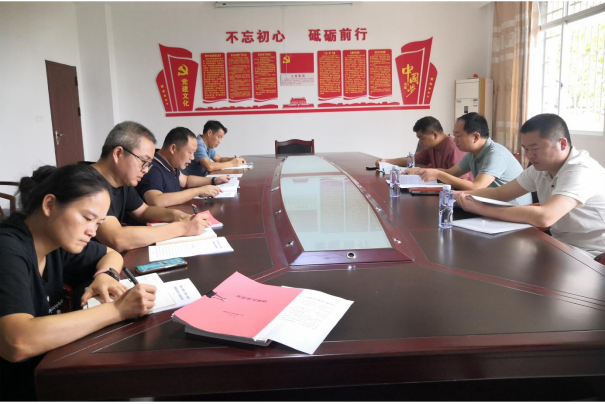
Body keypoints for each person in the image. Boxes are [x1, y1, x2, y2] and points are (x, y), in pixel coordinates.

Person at [0, 164, 157, 402]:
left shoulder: (55, 241)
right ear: (49, 205)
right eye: (87, 218)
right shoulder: (8, 249)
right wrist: (117, 310)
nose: (92, 232)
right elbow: (17, 342)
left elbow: (111, 254)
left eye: (98, 223)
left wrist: (106, 275)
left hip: (49, 370)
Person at [455, 113, 605, 258]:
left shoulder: (581, 170)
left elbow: (545, 217)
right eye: (526, 149)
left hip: (592, 254)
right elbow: (499, 193)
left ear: (562, 144)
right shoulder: (540, 169)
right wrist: (455, 195)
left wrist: (481, 208)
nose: (529, 155)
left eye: (535, 148)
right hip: (560, 245)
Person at [92, 121, 210, 252]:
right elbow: (117, 239)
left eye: (148, 164)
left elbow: (144, 211)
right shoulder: (88, 185)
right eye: (144, 161)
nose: (146, 170)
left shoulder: (121, 181)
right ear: (118, 153)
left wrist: (178, 215)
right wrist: (183, 227)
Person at [406, 112, 532, 205]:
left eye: (458, 136)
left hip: (514, 208)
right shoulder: (472, 154)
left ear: (476, 137)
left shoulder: (495, 154)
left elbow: (476, 187)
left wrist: (438, 173)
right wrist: (424, 171)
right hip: (492, 203)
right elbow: (451, 172)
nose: (455, 140)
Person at [136, 127, 231, 207]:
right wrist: (198, 191)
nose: (192, 157)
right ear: (173, 148)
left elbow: (186, 180)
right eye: (190, 152)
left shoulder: (170, 164)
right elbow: (156, 201)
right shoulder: (153, 168)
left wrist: (214, 180)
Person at [375, 116, 473, 181]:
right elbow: (412, 160)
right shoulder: (431, 147)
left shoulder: (454, 147)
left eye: (421, 138)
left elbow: (461, 180)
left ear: (434, 134)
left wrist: (420, 172)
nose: (420, 143)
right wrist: (386, 161)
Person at [182, 120, 247, 177]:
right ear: (209, 133)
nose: (219, 141)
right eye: (219, 137)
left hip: (202, 179)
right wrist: (232, 164)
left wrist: (235, 159)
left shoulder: (208, 146)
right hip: (191, 183)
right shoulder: (198, 144)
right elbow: (209, 166)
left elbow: (219, 159)